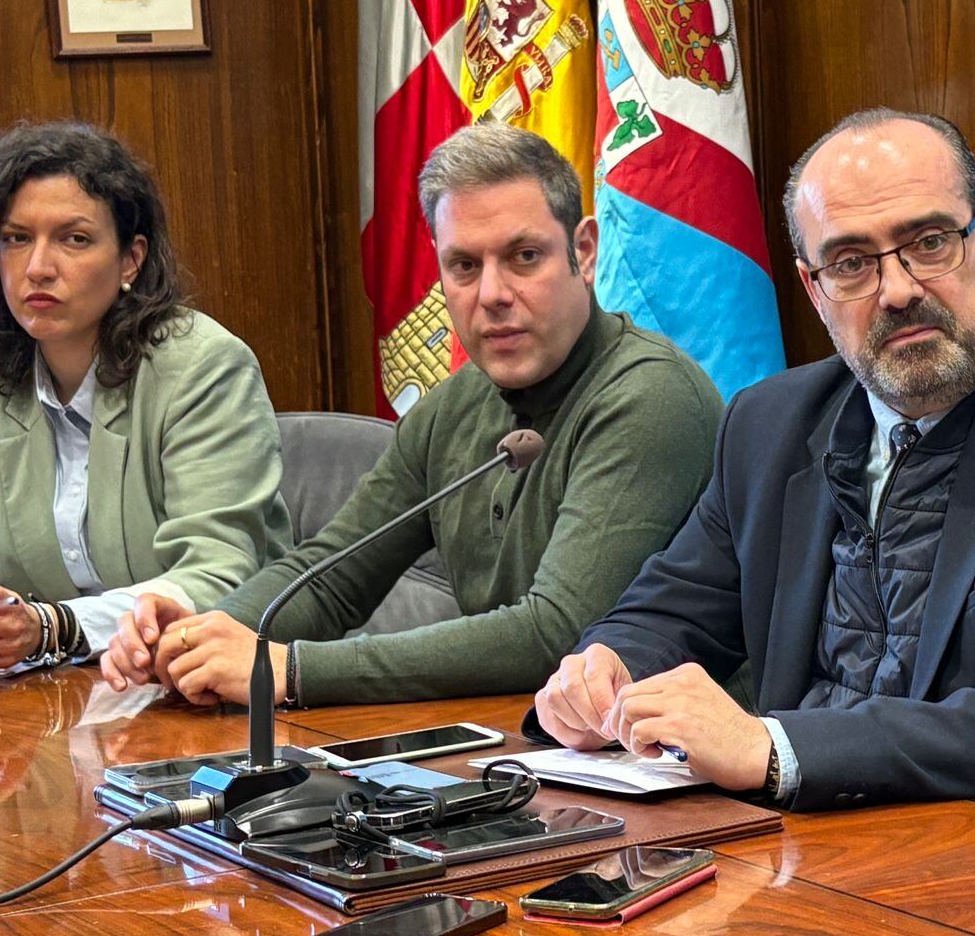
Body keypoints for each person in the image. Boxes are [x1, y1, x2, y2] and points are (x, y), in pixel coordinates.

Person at [535, 109, 975, 825]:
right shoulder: (769, 423)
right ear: (813, 287)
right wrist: (606, 669)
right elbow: (667, 610)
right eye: (852, 263)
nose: (897, 290)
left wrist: (771, 748)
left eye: (928, 243)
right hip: (812, 852)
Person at [103, 123, 721, 708]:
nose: (493, 294)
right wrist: (202, 635)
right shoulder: (456, 404)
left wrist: (290, 671)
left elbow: (557, 634)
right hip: (525, 749)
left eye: (525, 256)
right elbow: (329, 575)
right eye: (464, 266)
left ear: (583, 253)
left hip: (679, 776)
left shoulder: (650, 397)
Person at [0, 122, 289, 672]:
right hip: (51, 710)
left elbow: (219, 574)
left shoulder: (202, 365)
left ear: (130, 260)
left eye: (74, 239)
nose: (38, 267)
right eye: (15, 238)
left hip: (207, 689)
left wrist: (56, 628)